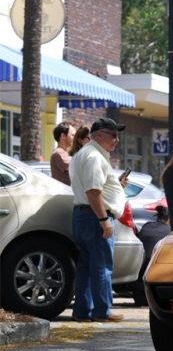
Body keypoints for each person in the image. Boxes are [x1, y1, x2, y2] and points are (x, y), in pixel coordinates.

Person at [69, 117, 128, 323]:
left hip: (83, 215)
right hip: (95, 217)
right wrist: (104, 219)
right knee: (102, 265)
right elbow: (93, 192)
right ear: (100, 134)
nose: (116, 140)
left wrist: (117, 187)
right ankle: (103, 310)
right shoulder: (94, 156)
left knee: (86, 265)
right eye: (113, 135)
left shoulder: (82, 154)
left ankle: (82, 310)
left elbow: (94, 190)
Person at [131, 205, 171, 306]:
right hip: (157, 278)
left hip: (138, 277)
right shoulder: (170, 231)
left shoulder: (146, 226)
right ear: (169, 219)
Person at [50, 121, 75, 186]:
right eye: (73, 135)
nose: (75, 138)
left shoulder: (65, 152)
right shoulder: (59, 153)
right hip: (65, 194)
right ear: (63, 136)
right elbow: (78, 166)